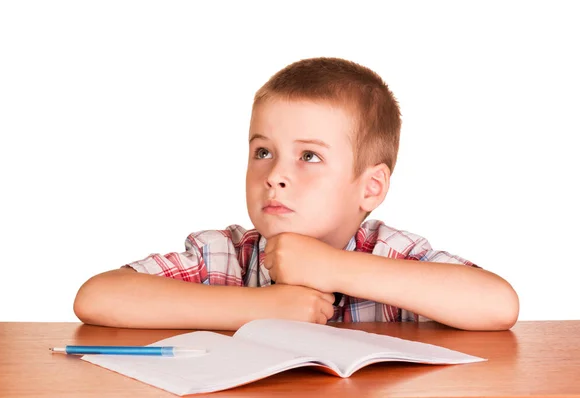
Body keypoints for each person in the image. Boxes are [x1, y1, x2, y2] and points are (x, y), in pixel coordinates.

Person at [73, 57, 519, 331]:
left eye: (309, 156)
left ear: (371, 187)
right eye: (263, 151)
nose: (275, 175)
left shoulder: (390, 253)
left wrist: (333, 267)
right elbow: (96, 297)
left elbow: (498, 305)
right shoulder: (226, 255)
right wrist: (255, 307)